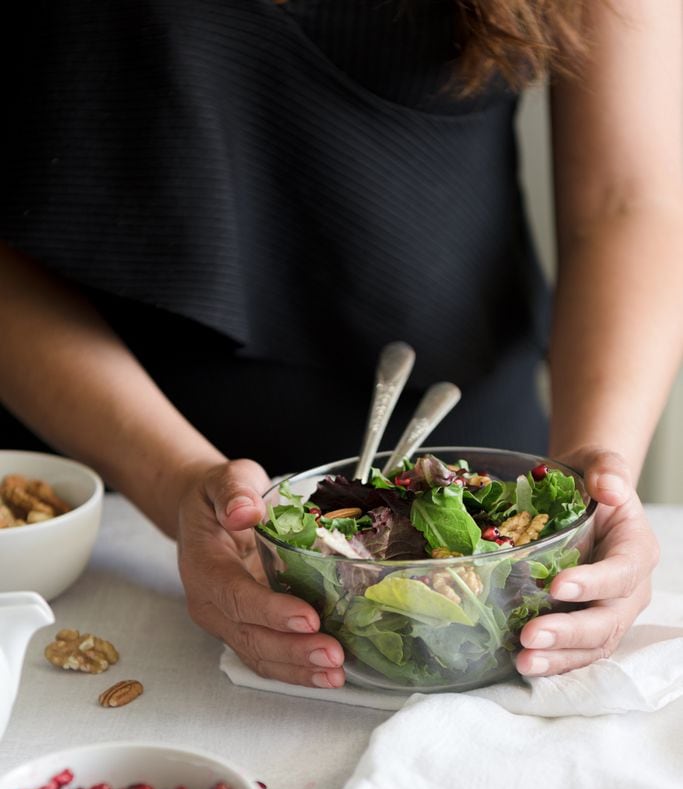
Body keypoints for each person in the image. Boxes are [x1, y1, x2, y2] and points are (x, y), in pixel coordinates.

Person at [0, 0, 680, 689]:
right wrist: (170, 479)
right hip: (98, 500)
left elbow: (630, 201)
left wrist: (596, 480)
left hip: (487, 516)